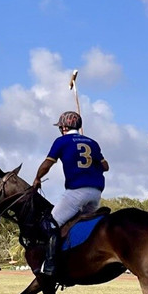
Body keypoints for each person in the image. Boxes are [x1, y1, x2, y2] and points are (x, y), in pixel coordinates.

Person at [31, 111, 109, 276]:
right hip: (95, 194)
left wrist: (37, 178)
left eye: (60, 127)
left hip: (76, 192)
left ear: (64, 127)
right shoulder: (92, 143)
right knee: (81, 225)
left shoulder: (61, 141)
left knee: (50, 224)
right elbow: (105, 167)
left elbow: (47, 164)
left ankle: (50, 265)